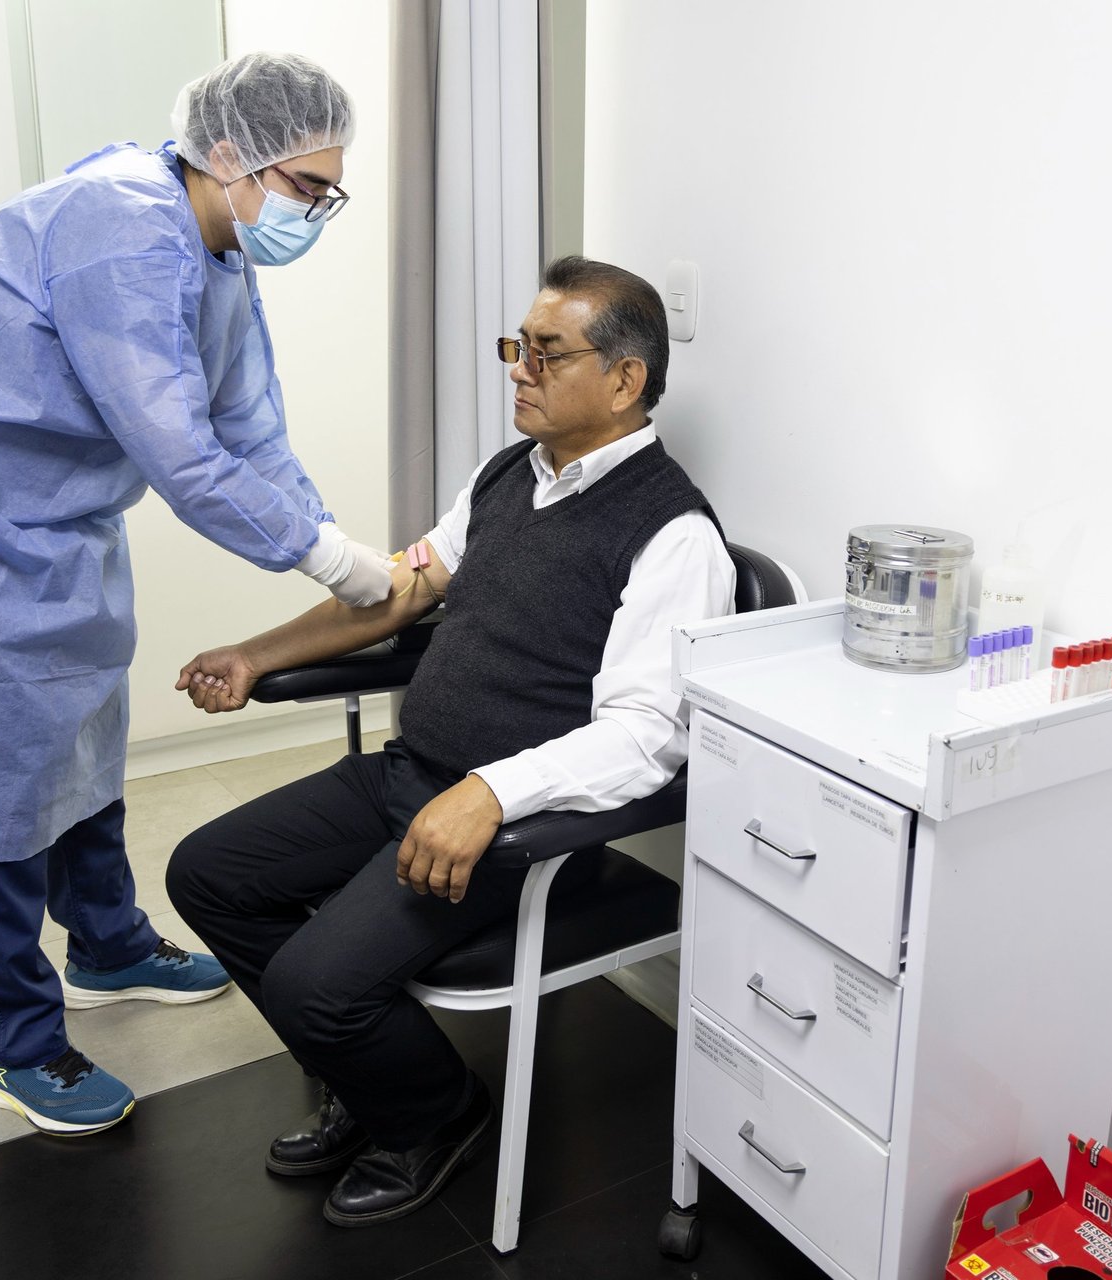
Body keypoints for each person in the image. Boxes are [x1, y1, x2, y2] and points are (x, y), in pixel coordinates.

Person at [0, 52, 394, 1138]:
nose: (317, 214)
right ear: (234, 155)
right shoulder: (123, 228)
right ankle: (11, 1040)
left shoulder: (220, 249)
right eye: (307, 188)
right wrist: (342, 569)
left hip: (47, 515)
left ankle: (106, 941)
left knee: (76, 725)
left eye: (330, 193)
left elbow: (251, 427)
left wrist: (338, 540)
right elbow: (186, 455)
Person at [166, 256, 736, 1226]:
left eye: (547, 353)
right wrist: (257, 654)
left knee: (313, 979)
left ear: (626, 379)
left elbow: (647, 738)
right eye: (518, 346)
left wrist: (491, 795)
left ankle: (435, 1113)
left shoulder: (676, 537)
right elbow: (402, 588)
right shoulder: (510, 472)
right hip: (409, 775)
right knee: (207, 873)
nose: (518, 368)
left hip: (511, 834)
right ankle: (373, 1072)